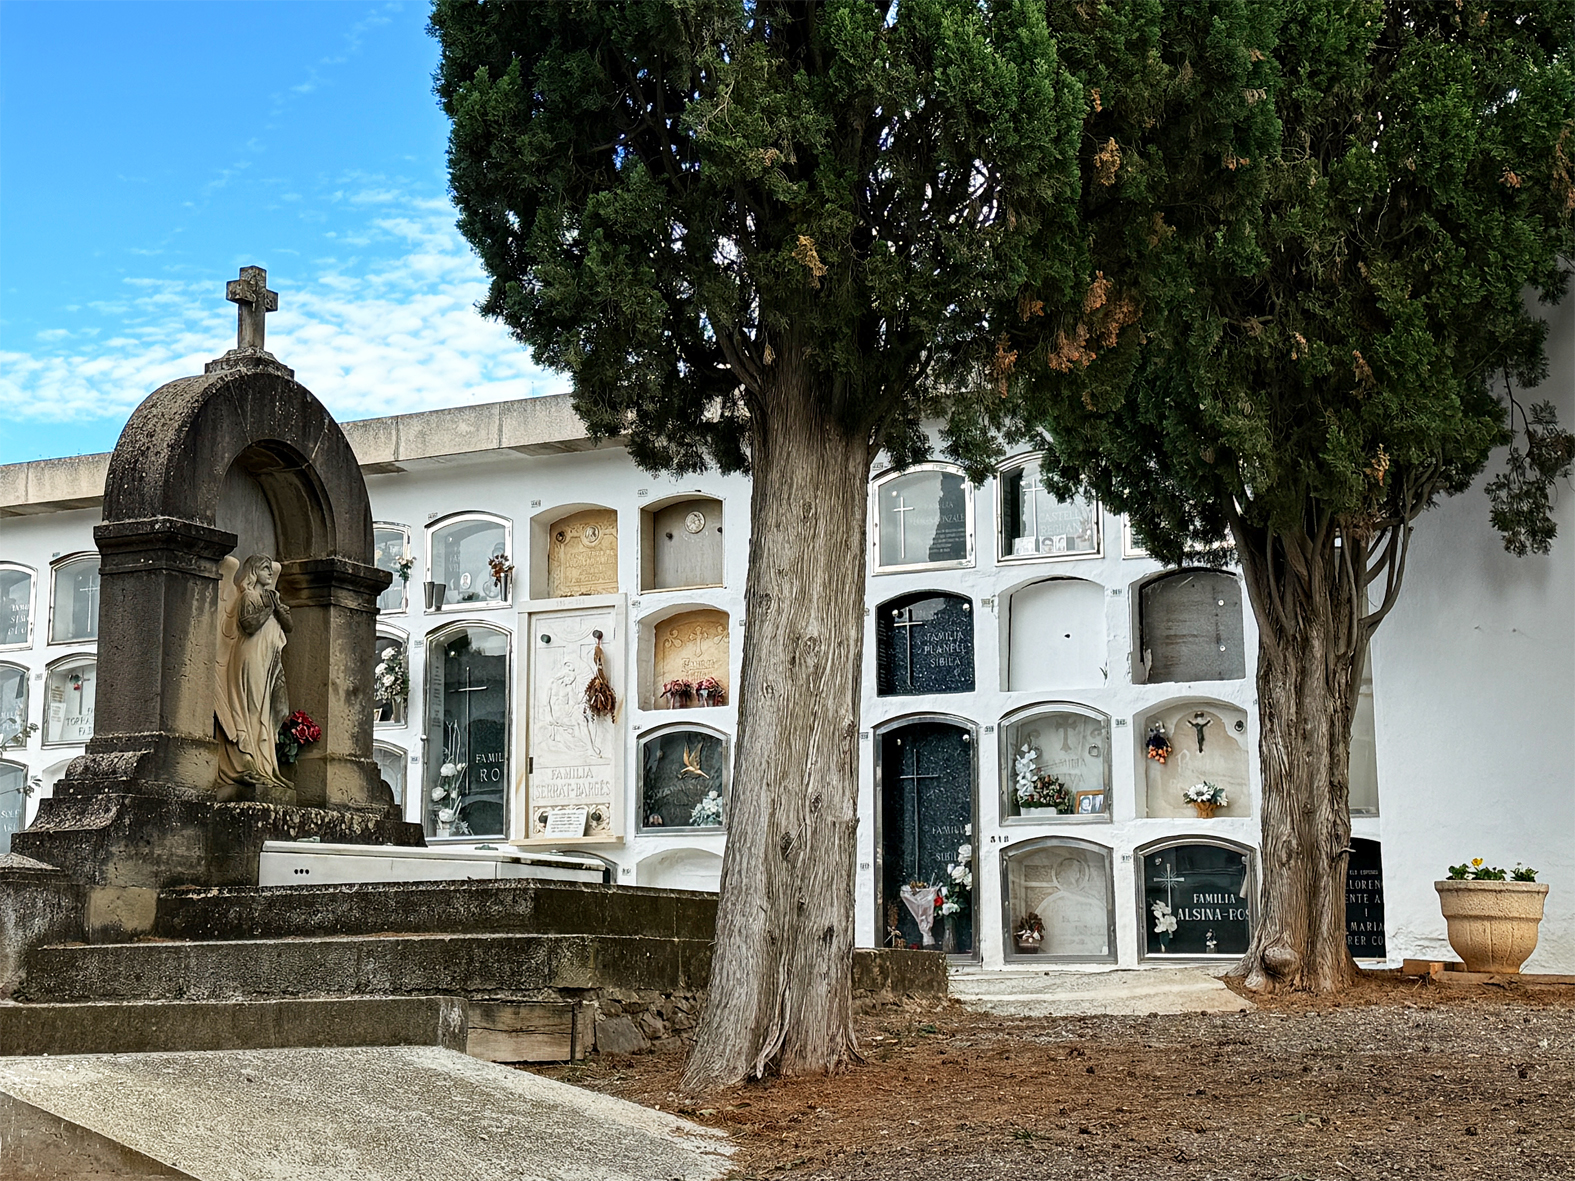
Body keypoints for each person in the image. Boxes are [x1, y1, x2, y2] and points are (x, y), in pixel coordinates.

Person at [215, 553, 292, 792]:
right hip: (250, 657)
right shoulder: (248, 596)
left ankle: (266, 766)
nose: (270, 573)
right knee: (252, 707)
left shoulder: (272, 597)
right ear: (253, 572)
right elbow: (248, 624)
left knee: (270, 708)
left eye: (271, 569)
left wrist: (278, 608)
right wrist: (270, 607)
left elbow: (289, 626)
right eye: (265, 568)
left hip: (268, 660)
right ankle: (247, 760)